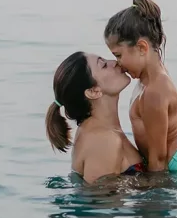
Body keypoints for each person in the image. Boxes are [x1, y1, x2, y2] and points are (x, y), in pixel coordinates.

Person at [104, 0, 177, 175]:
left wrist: (150, 193)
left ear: (142, 48)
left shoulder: (155, 91)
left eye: (119, 55)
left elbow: (158, 160)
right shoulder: (147, 80)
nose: (117, 63)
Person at [46, 51, 144, 182]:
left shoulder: (102, 132)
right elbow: (101, 200)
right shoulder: (104, 140)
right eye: (103, 65)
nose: (114, 62)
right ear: (93, 92)